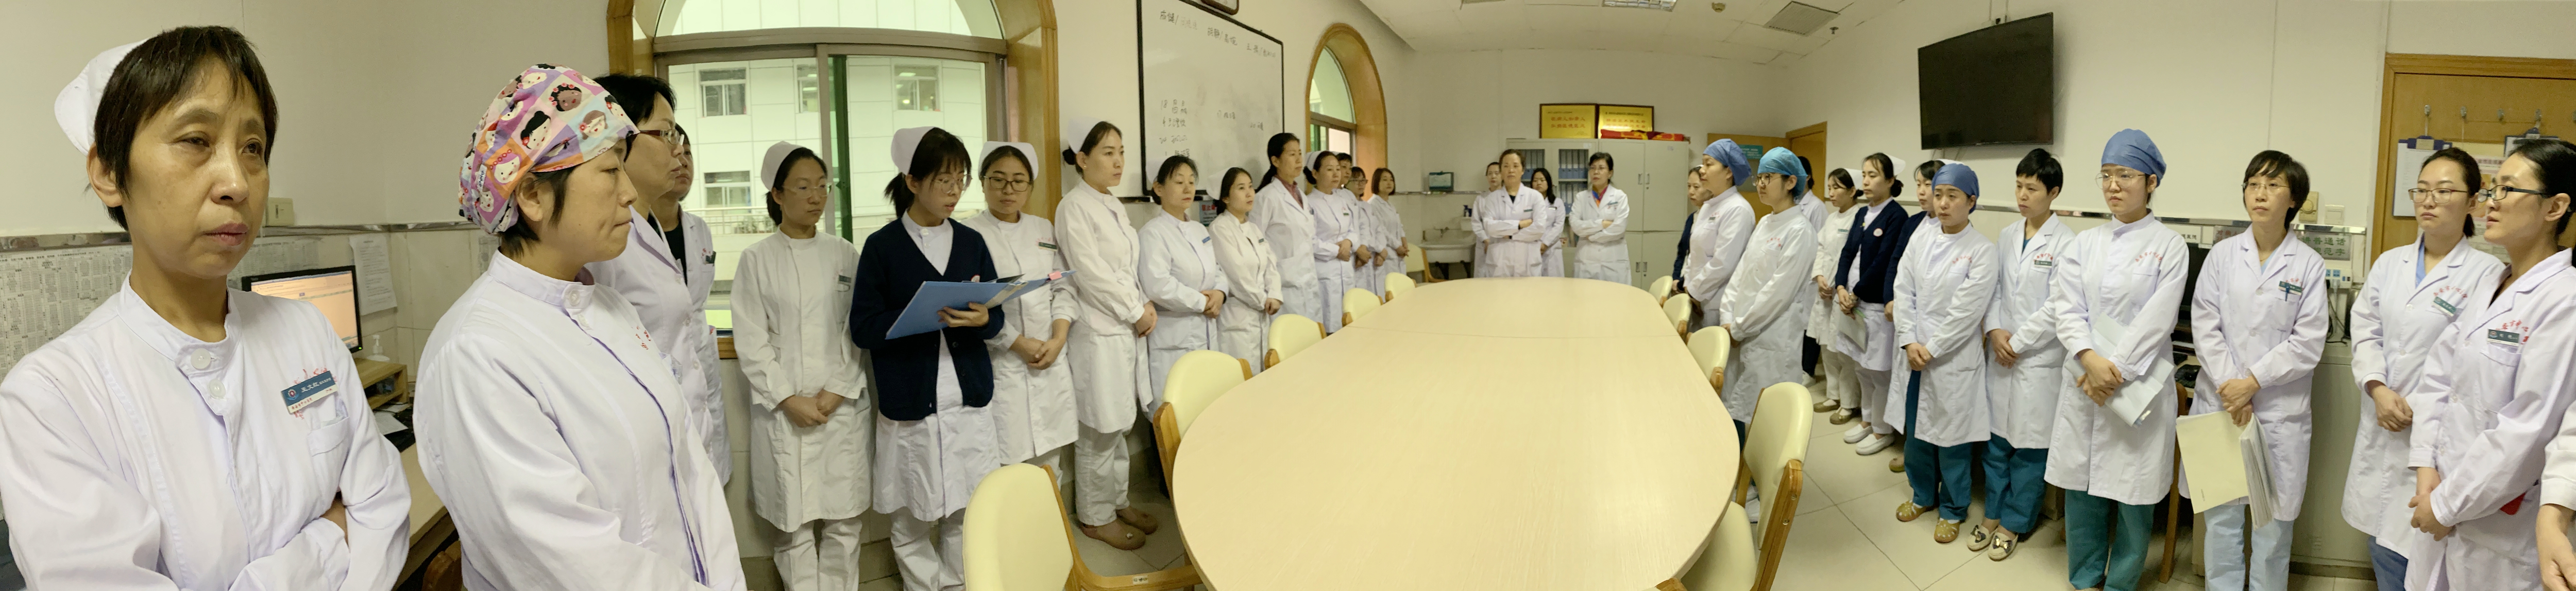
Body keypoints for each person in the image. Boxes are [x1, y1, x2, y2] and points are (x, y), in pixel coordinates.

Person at [1, 27, 409, 590]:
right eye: (196, 140)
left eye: (253, 148)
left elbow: (382, 507)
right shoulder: (53, 396)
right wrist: (326, 539)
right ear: (109, 173)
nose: (237, 182)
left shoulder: (305, 330)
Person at [420, 63, 742, 590]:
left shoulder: (611, 309)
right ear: (532, 195)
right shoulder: (479, 352)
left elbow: (691, 472)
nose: (629, 194)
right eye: (610, 171)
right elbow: (571, 562)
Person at [848, 127, 1006, 591]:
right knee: (911, 515)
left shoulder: (972, 242)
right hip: (912, 404)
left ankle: (959, 584)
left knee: (966, 507)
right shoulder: (882, 246)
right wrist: (916, 316)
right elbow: (863, 328)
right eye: (944, 181)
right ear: (913, 182)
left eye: (960, 180)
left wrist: (983, 320)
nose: (955, 192)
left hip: (967, 398)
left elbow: (996, 317)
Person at [2420, 138, 2576, 591]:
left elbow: (2527, 431)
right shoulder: (2493, 279)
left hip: (2501, 530)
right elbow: (2440, 377)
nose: (2491, 201)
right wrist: (2427, 466)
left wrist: (2446, 506)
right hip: (2447, 495)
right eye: (2493, 189)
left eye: (2508, 189)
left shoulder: (2564, 300)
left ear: (2555, 207)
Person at [2345, 147, 2501, 591]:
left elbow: (2471, 364)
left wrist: (2416, 405)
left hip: (2438, 438)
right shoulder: (2388, 264)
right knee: (2383, 544)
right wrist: (2377, 388)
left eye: (2445, 191)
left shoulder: (2488, 274)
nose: (2429, 200)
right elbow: (2366, 331)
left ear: (2473, 202)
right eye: (2422, 190)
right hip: (2382, 421)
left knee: (2427, 558)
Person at [2047, 129, 2191, 591]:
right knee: (2083, 489)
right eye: (2106, 175)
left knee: (2134, 496)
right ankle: (2084, 577)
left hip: (2137, 387)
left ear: (2151, 183)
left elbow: (2158, 319)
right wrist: (2089, 359)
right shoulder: (2084, 243)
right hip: (2085, 379)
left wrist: (2114, 371)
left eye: (2125, 175)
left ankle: (2121, 583)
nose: (2113, 185)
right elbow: (2067, 308)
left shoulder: (2170, 245)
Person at [2182, 150, 2331, 591]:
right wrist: (2232, 387)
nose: (2260, 194)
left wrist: (2251, 383)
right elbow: (2205, 324)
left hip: (2277, 413)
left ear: (2294, 199)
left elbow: (2308, 342)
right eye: (2253, 184)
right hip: (2222, 405)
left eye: (2272, 185)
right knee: (2222, 519)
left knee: (2273, 527)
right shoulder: (2223, 255)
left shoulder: (2308, 265)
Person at [733, 142, 872, 591]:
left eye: (823, 186)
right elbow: (751, 340)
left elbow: (856, 329)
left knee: (844, 519)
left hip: (840, 408)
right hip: (784, 411)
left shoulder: (845, 254)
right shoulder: (757, 259)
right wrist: (788, 398)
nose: (817, 197)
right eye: (804, 187)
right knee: (792, 524)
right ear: (777, 195)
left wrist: (837, 390)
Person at [585, 73, 727, 484]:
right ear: (619, 139)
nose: (677, 149)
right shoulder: (603, 242)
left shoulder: (649, 228)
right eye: (666, 134)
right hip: (647, 452)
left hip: (679, 435)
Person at [1055, 118, 1159, 550]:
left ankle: (1117, 501)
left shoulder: (1111, 203)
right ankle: (1095, 518)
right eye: (1108, 153)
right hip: (1098, 333)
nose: (1118, 162)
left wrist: (1142, 305)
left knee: (1118, 424)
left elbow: (1125, 270)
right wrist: (1135, 311)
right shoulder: (1073, 207)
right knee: (1099, 429)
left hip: (1122, 330)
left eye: (1121, 152)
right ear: (1082, 159)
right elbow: (1091, 274)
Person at [1888, 162, 1998, 545]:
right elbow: (1904, 290)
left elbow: (1967, 312)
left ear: (1972, 201)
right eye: (1939, 195)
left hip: (1952, 359)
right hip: (1915, 353)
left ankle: (1953, 508)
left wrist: (1931, 348)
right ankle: (1922, 495)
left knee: (1953, 440)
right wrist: (1909, 340)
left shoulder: (1982, 251)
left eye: (1953, 196)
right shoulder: (1921, 238)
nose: (1944, 203)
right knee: (1917, 435)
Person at [1976, 148, 2077, 561]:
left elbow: (2057, 306)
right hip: (2002, 354)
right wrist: (1995, 330)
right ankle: (1993, 512)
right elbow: (1995, 289)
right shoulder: (2006, 235)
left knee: (2030, 450)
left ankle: (2016, 522)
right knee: (1997, 444)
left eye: (2032, 188)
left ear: (2053, 192)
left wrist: (2016, 343)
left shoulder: (2068, 243)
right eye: (2018, 186)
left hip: (2037, 361)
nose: (2022, 195)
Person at [958, 142, 1077, 483]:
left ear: (1030, 186)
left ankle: (1051, 520)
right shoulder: (967, 235)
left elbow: (1063, 287)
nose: (1008, 190)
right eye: (998, 180)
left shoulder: (1043, 229)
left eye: (1018, 181)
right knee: (1009, 471)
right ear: (982, 183)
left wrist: (1059, 338)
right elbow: (970, 308)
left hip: (1050, 359)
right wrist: (1018, 344)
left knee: (1051, 465)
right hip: (1003, 364)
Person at [1719, 148, 1821, 444]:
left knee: (1763, 419)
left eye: (1768, 177)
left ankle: (1754, 471)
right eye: (1759, 177)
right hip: (1741, 328)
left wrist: (1740, 328)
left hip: (1771, 337)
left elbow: (1778, 294)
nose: (1761, 184)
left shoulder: (1801, 231)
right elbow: (1741, 274)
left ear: (1791, 182)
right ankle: (1737, 464)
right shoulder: (1765, 222)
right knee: (1736, 406)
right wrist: (1728, 317)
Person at [1834, 153, 1910, 457]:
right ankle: (1867, 420)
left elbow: (1883, 262)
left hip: (1875, 304)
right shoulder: (1862, 213)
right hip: (1853, 302)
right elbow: (1847, 252)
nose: (1865, 181)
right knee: (1861, 367)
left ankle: (1882, 429)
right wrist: (1841, 286)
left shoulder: (1896, 216)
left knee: (1878, 371)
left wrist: (1856, 293)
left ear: (1890, 181)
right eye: (1864, 175)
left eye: (1873, 175)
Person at [1139, 155, 1229, 396]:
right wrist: (1203, 303)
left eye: (1191, 181)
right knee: (1176, 407)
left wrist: (1220, 293)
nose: (1188, 188)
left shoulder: (1199, 229)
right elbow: (1159, 286)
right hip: (1174, 339)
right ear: (1159, 188)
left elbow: (1216, 269)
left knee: (1208, 401)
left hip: (1206, 332)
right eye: (1179, 182)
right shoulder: (1153, 233)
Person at [1209, 167, 1284, 372]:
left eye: (1251, 187)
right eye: (1241, 188)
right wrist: (1263, 300)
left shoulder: (1253, 228)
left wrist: (1274, 294)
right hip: (1239, 317)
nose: (1250, 193)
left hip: (1261, 313)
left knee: (1264, 373)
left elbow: (1270, 263)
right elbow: (1237, 275)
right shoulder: (1220, 228)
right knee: (1243, 375)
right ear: (1225, 197)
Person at [1684, 140, 1757, 329]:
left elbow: (1724, 263)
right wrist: (1688, 285)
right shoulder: (1708, 206)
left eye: (1709, 164)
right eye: (1703, 164)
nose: (1702, 170)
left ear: (1728, 172)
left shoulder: (1738, 209)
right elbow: (1694, 252)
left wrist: (1694, 291)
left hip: (1716, 302)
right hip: (1696, 297)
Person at [1251, 133, 1320, 326]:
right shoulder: (1267, 197)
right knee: (1291, 337)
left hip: (1308, 280)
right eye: (1292, 154)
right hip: (1284, 284)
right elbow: (1256, 244)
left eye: (1300, 153)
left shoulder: (1301, 196)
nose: (1299, 160)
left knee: (1312, 336)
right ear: (1275, 161)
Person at [1810, 168, 1861, 421]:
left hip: (1844, 293)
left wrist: (1841, 286)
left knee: (1844, 350)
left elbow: (1855, 258)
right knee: (1827, 347)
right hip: (1825, 293)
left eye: (1837, 188)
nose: (1831, 193)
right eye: (1829, 187)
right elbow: (1820, 249)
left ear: (1852, 191)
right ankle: (1833, 395)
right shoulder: (1831, 219)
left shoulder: (1859, 218)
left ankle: (1849, 403)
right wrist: (1819, 276)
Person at [1307, 152, 1360, 332]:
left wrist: (1349, 242)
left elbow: (1353, 229)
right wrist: (1336, 251)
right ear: (1315, 174)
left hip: (1346, 269)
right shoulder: (1309, 203)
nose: (1336, 174)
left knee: (1350, 323)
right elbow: (1310, 241)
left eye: (1338, 169)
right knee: (1330, 327)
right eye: (1330, 170)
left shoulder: (1341, 201)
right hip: (1326, 271)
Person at [1481, 150, 1548, 279]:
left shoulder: (1535, 197)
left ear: (1523, 170)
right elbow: (1490, 228)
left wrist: (1509, 235)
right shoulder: (1492, 199)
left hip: (1527, 263)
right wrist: (1520, 225)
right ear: (1501, 171)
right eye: (1506, 166)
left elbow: (1539, 229)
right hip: (1500, 264)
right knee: (1500, 292)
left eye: (1516, 166)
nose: (1511, 170)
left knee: (1529, 292)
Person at [1570, 153, 1631, 284]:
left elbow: (1619, 228)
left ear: (1610, 173)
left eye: (1601, 168)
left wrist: (1592, 236)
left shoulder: (1620, 197)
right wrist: (1602, 224)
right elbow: (1575, 226)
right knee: (1585, 296)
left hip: (1613, 262)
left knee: (1613, 296)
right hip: (1587, 261)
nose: (1596, 172)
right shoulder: (1581, 198)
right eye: (1593, 168)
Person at [1344, 163, 1385, 297]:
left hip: (1371, 256)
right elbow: (1355, 232)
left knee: (1374, 296)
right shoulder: (1346, 204)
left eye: (1363, 181)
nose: (1361, 184)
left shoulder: (1367, 206)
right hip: (1360, 257)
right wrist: (1369, 249)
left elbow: (1378, 230)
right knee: (1361, 297)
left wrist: (1381, 250)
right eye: (1356, 180)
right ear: (1347, 183)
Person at [1366, 168, 1409, 294]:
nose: (1389, 183)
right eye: (1384, 180)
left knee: (1401, 292)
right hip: (1386, 255)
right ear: (1376, 183)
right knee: (1388, 293)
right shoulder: (1373, 205)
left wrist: (1404, 243)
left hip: (1397, 254)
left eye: (1391, 180)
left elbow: (1399, 226)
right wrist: (1398, 247)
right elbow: (1382, 230)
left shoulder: (1390, 205)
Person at [1530, 166, 1567, 278]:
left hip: (1551, 249)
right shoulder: (1527, 203)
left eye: (1542, 180)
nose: (1539, 183)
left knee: (1553, 284)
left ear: (1549, 183)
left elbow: (1559, 226)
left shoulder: (1557, 203)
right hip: (1532, 247)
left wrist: (1545, 244)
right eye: (1535, 181)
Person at [1675, 165, 1707, 285]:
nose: (1691, 192)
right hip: (1683, 282)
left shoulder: (1714, 219)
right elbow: (1682, 253)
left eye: (1696, 187)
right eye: (1689, 186)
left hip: (1699, 284)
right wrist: (1676, 279)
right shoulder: (1692, 218)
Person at [1476, 161, 1504, 278]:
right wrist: (1486, 240)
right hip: (1484, 246)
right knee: (1483, 281)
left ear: (1502, 175)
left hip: (1502, 244)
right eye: (1490, 174)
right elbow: (1476, 223)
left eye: (1497, 173)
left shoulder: (1507, 198)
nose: (1493, 177)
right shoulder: (1481, 199)